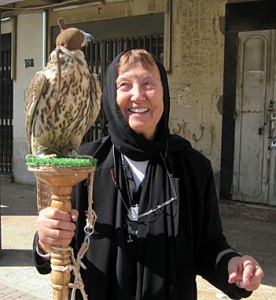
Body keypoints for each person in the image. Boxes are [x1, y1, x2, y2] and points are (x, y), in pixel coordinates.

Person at [33, 48, 264, 299]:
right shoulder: (82, 165)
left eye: (148, 84)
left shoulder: (192, 168)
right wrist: (45, 240)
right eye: (124, 85)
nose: (137, 95)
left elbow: (209, 247)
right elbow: (52, 256)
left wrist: (234, 265)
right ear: (110, 95)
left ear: (164, 93)